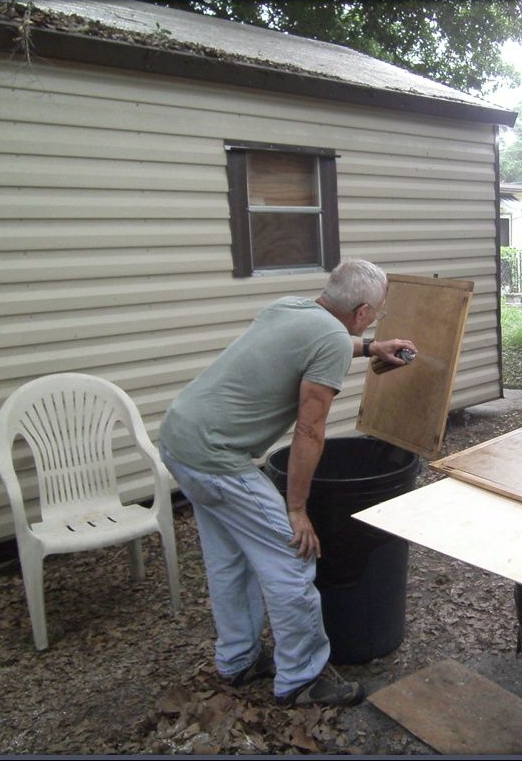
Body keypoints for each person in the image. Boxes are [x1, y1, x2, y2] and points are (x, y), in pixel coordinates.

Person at [157, 259, 415, 708]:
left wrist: (372, 347)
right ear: (361, 311)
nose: (376, 318)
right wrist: (296, 509)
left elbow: (317, 340)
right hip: (217, 458)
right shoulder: (330, 337)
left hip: (180, 439)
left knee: (230, 559)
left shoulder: (289, 307)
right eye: (377, 313)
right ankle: (302, 678)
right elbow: (309, 430)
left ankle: (238, 661)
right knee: (293, 557)